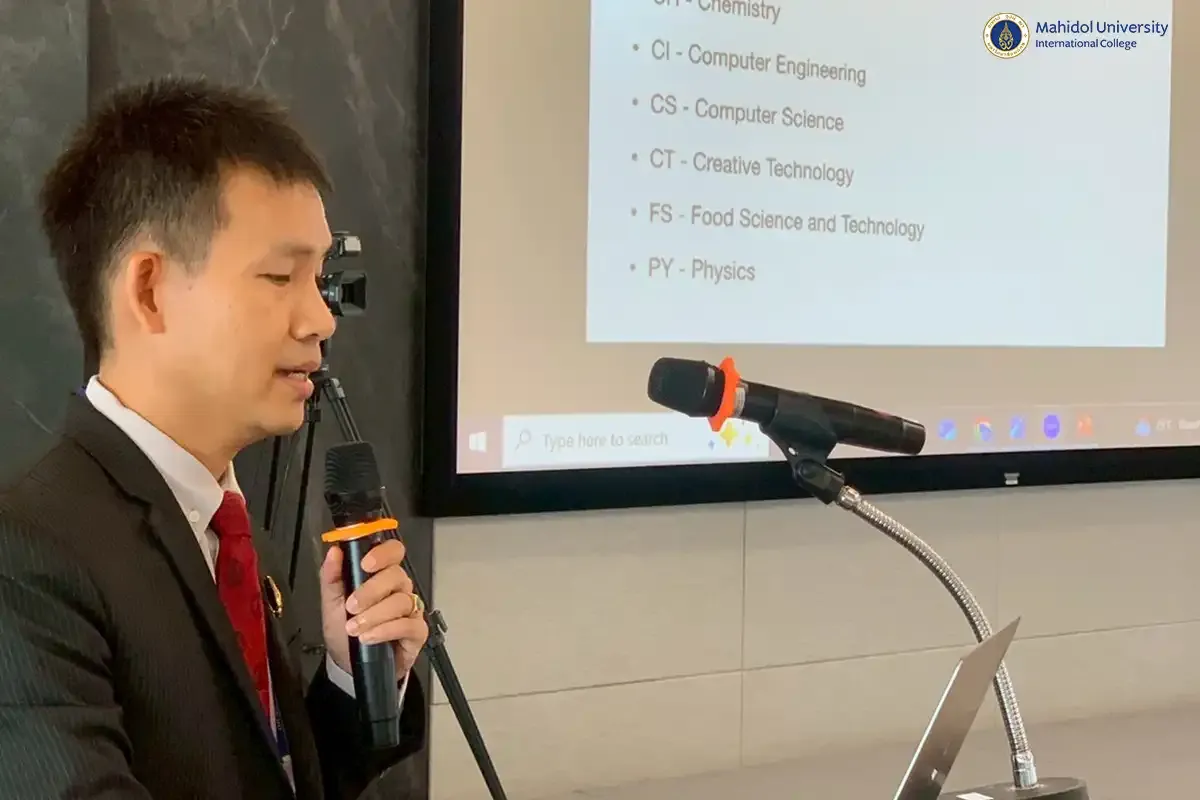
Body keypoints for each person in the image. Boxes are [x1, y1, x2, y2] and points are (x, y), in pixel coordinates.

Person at [0, 77, 428, 798]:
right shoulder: (26, 556)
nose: (321, 320)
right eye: (280, 276)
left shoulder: (229, 525)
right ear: (149, 291)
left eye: (319, 277)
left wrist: (350, 677)